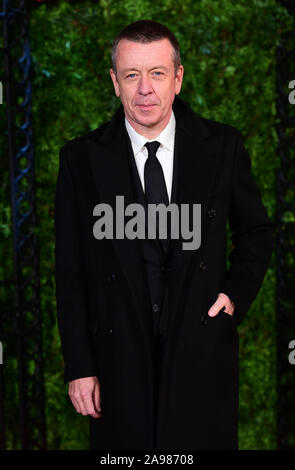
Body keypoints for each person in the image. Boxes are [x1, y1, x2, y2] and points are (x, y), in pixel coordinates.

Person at [54, 20, 274, 450]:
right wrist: (79, 365)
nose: (145, 90)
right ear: (115, 82)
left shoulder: (223, 147)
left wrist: (234, 295)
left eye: (156, 73)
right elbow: (69, 269)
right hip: (118, 357)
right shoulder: (80, 159)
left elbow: (257, 232)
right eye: (132, 75)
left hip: (199, 349)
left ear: (178, 78)